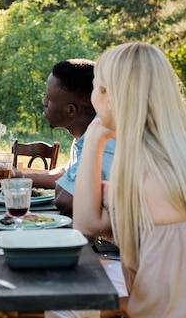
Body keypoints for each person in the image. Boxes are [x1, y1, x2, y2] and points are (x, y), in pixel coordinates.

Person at [74, 42, 186, 317]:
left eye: (96, 86)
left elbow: (165, 309)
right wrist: (94, 135)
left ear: (108, 96)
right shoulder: (167, 158)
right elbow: (87, 222)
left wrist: (101, 308)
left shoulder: (154, 180)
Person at [21, 59, 116, 216]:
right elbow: (69, 173)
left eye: (49, 98)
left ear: (71, 110)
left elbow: (66, 200)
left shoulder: (104, 138)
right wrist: (20, 177)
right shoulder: (83, 133)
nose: (43, 101)